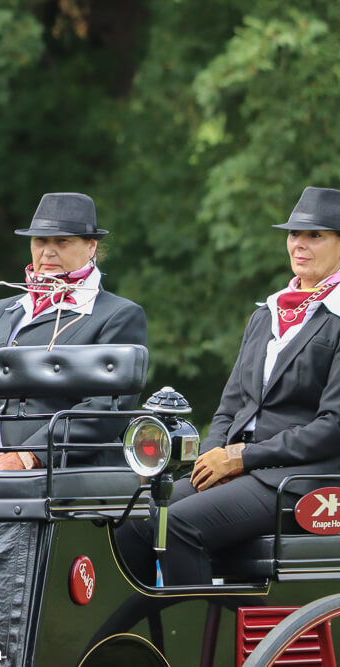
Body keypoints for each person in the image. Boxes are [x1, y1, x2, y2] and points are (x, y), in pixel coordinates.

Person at [115, 186, 340, 586]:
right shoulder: (267, 314)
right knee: (131, 519)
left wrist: (242, 458)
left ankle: (195, 626)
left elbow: (332, 427)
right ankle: (150, 623)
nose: (299, 244)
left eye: (315, 235)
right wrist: (211, 459)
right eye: (294, 234)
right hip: (242, 467)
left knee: (178, 524)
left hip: (301, 479)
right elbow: (230, 407)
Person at [0, 192, 147, 471]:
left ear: (91, 246)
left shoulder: (117, 315)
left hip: (61, 470)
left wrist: (29, 456)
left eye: (62, 241)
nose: (48, 251)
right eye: (40, 240)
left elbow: (106, 408)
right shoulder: (1, 311)